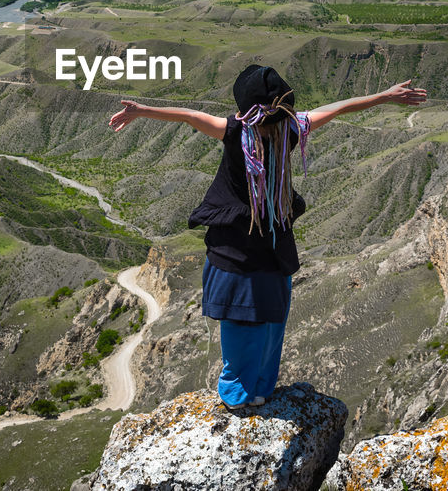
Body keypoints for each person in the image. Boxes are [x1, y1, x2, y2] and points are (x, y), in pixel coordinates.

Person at [108, 64, 427, 410]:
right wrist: (383, 97)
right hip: (275, 242)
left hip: (234, 246)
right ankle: (261, 387)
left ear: (244, 109)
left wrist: (142, 111)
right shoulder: (290, 129)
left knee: (238, 319)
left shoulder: (235, 132)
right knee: (272, 320)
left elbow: (190, 116)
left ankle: (235, 393)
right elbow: (340, 107)